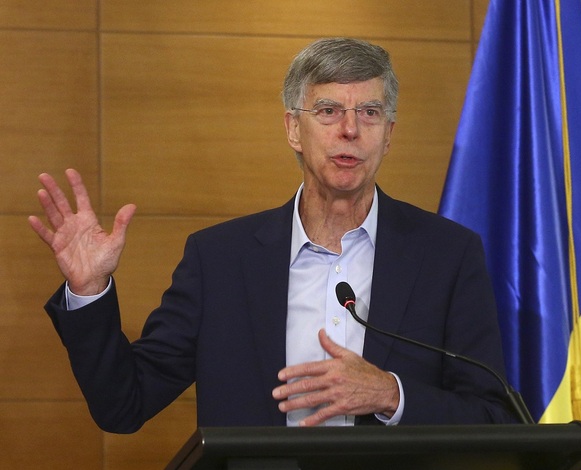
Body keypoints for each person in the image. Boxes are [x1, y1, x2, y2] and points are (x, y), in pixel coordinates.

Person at [29, 37, 516, 433]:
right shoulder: (219, 259)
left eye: (369, 112)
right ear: (292, 129)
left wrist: (390, 394)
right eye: (327, 110)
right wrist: (88, 291)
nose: (350, 129)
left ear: (388, 135)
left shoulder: (447, 255)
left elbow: (495, 417)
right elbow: (123, 405)